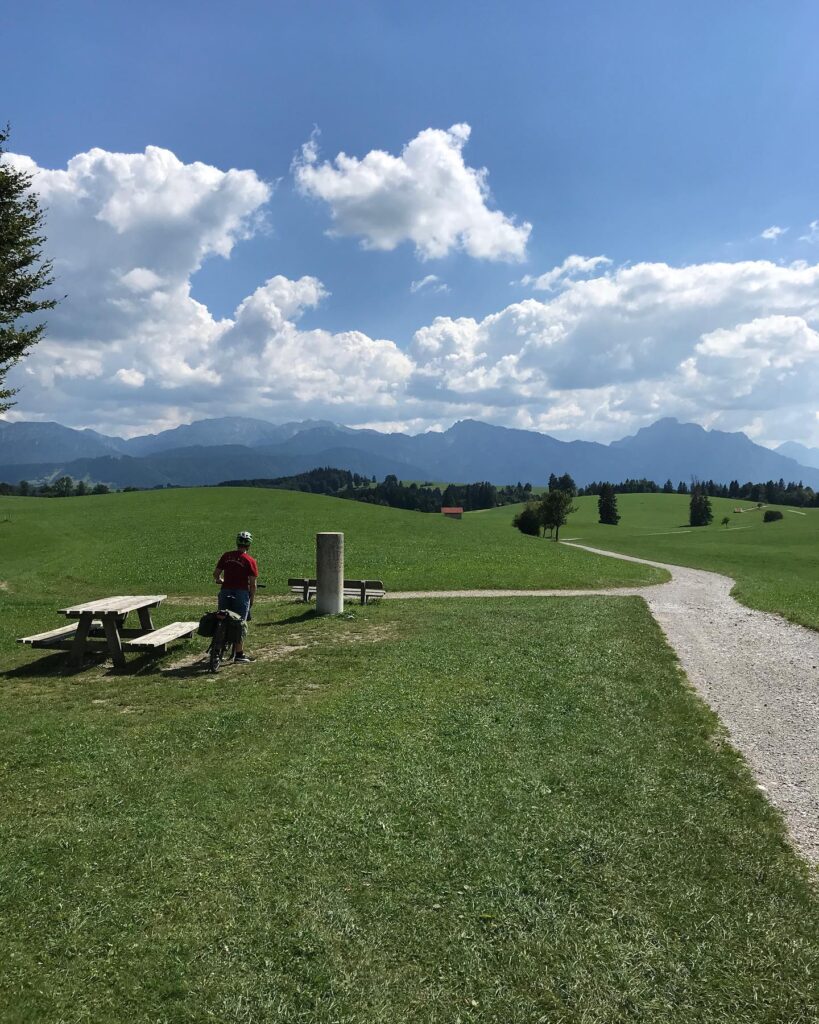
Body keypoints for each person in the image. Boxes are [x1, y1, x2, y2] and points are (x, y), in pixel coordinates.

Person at [213, 530, 258, 663]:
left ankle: (216, 650)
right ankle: (239, 655)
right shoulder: (250, 560)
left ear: (237, 543)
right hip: (241, 593)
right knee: (240, 623)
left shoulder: (226, 556)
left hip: (225, 591)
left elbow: (216, 574)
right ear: (249, 545)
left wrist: (220, 580)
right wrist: (251, 599)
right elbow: (253, 584)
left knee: (222, 618)